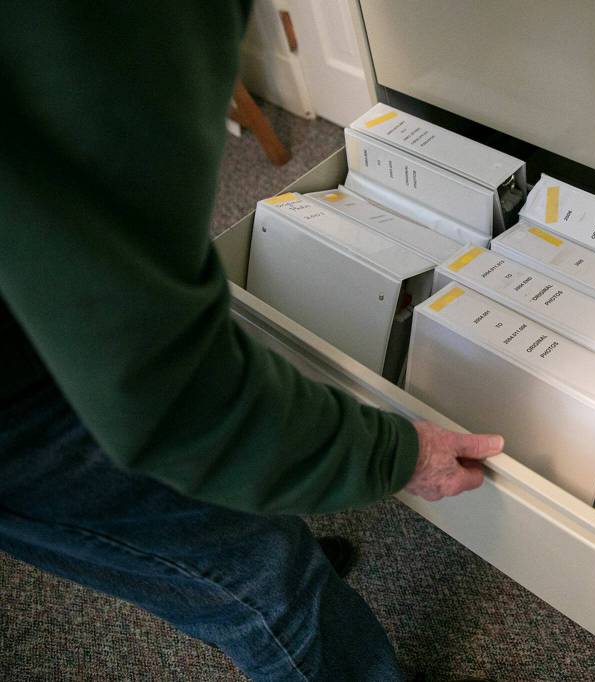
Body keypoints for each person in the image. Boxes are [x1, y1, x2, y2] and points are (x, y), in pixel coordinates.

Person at [0, 2, 503, 680]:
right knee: (260, 582)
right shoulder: (99, 28)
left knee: (237, 507)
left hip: (34, 319)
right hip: (21, 398)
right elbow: (169, 396)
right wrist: (400, 454)